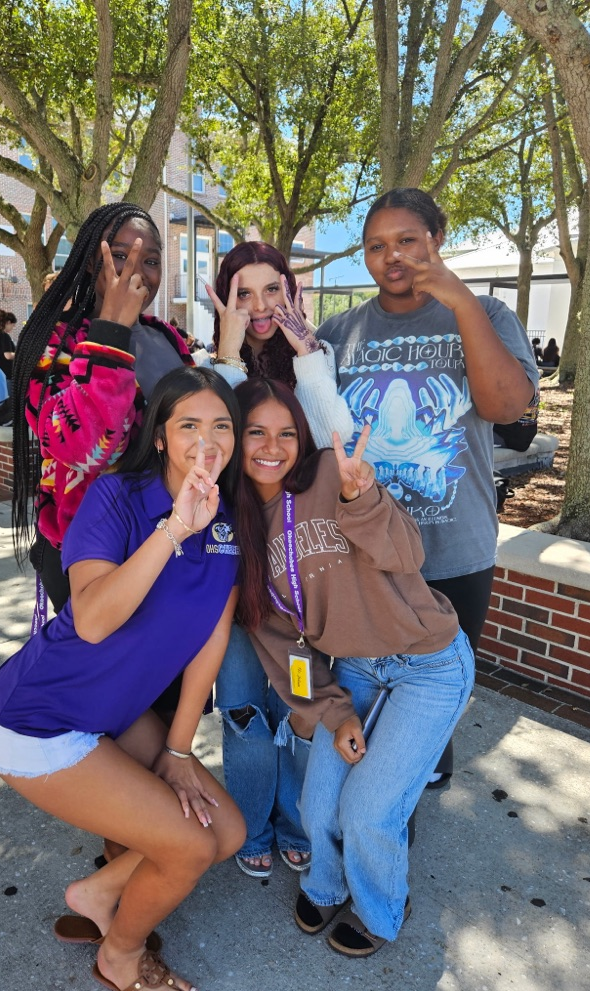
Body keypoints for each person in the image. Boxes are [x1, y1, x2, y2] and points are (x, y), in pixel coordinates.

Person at [0, 366, 245, 991]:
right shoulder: (115, 497)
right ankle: (121, 958)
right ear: (158, 435)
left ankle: (97, 891)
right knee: (187, 848)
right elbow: (94, 619)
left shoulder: (229, 518)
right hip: (39, 718)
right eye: (188, 425)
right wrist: (174, 528)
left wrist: (179, 753)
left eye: (221, 426)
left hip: (113, 716)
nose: (207, 441)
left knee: (227, 833)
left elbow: (211, 641)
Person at [234, 377, 474, 956]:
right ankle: (326, 884)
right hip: (361, 671)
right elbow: (285, 643)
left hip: (430, 665)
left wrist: (362, 498)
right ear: (235, 441)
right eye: (256, 432)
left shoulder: (329, 476)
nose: (273, 446)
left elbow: (408, 554)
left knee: (368, 812)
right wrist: (332, 711)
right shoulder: (240, 531)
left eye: (287, 432)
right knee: (317, 804)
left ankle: (381, 908)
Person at [311, 188, 538, 787]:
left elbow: (508, 405)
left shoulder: (486, 314)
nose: (392, 256)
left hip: (452, 547)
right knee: (366, 699)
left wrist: (460, 301)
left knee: (434, 700)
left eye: (407, 240)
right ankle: (374, 807)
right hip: (365, 551)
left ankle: (411, 784)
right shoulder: (341, 329)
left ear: (436, 238)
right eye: (376, 246)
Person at [205, 242, 352, 877]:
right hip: (233, 580)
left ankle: (294, 821)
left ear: (292, 292)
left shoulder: (315, 362)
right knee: (241, 714)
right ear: (224, 300)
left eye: (273, 289)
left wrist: (309, 360)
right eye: (243, 293)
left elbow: (338, 445)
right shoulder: (209, 367)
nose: (261, 306)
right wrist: (228, 352)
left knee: (299, 712)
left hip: (299, 581)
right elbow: (214, 450)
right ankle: (249, 826)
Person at [11, 201, 193, 615]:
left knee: (166, 678)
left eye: (150, 260)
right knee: (109, 677)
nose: (136, 270)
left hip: (165, 539)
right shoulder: (52, 342)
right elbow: (81, 448)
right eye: (120, 256)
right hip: (86, 550)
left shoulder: (168, 339)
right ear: (93, 263)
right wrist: (111, 333)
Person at [0, 309, 18, 381]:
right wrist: (20, 354)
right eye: (13, 325)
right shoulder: (5, 336)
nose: (13, 328)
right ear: (8, 322)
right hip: (5, 373)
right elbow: (8, 355)